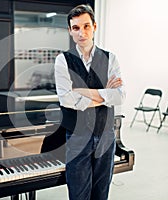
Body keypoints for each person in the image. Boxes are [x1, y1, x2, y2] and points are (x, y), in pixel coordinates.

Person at [54, 4, 126, 200]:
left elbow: (120, 96)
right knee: (78, 195)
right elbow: (66, 99)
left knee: (101, 194)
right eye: (76, 28)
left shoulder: (110, 58)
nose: (81, 33)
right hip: (77, 137)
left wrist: (82, 93)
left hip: (106, 135)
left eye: (86, 26)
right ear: (70, 31)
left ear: (94, 26)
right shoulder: (63, 60)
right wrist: (105, 95)